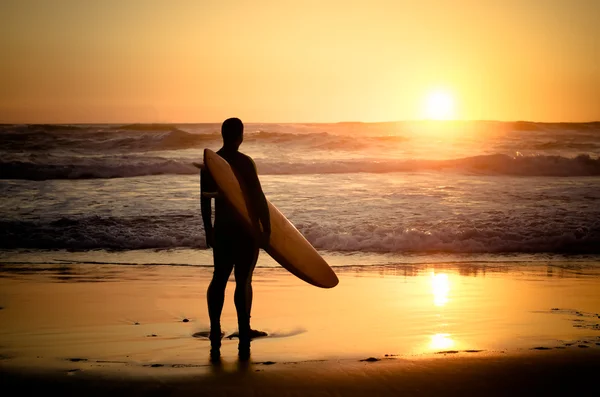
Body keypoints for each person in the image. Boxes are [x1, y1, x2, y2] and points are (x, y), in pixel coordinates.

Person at [201, 117, 271, 360]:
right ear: (240, 136)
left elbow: (204, 199)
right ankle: (243, 330)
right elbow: (259, 197)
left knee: (219, 278)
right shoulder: (244, 162)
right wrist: (267, 229)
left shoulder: (210, 164)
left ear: (223, 135)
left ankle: (214, 329)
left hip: (222, 229)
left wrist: (208, 229)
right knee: (243, 280)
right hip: (245, 231)